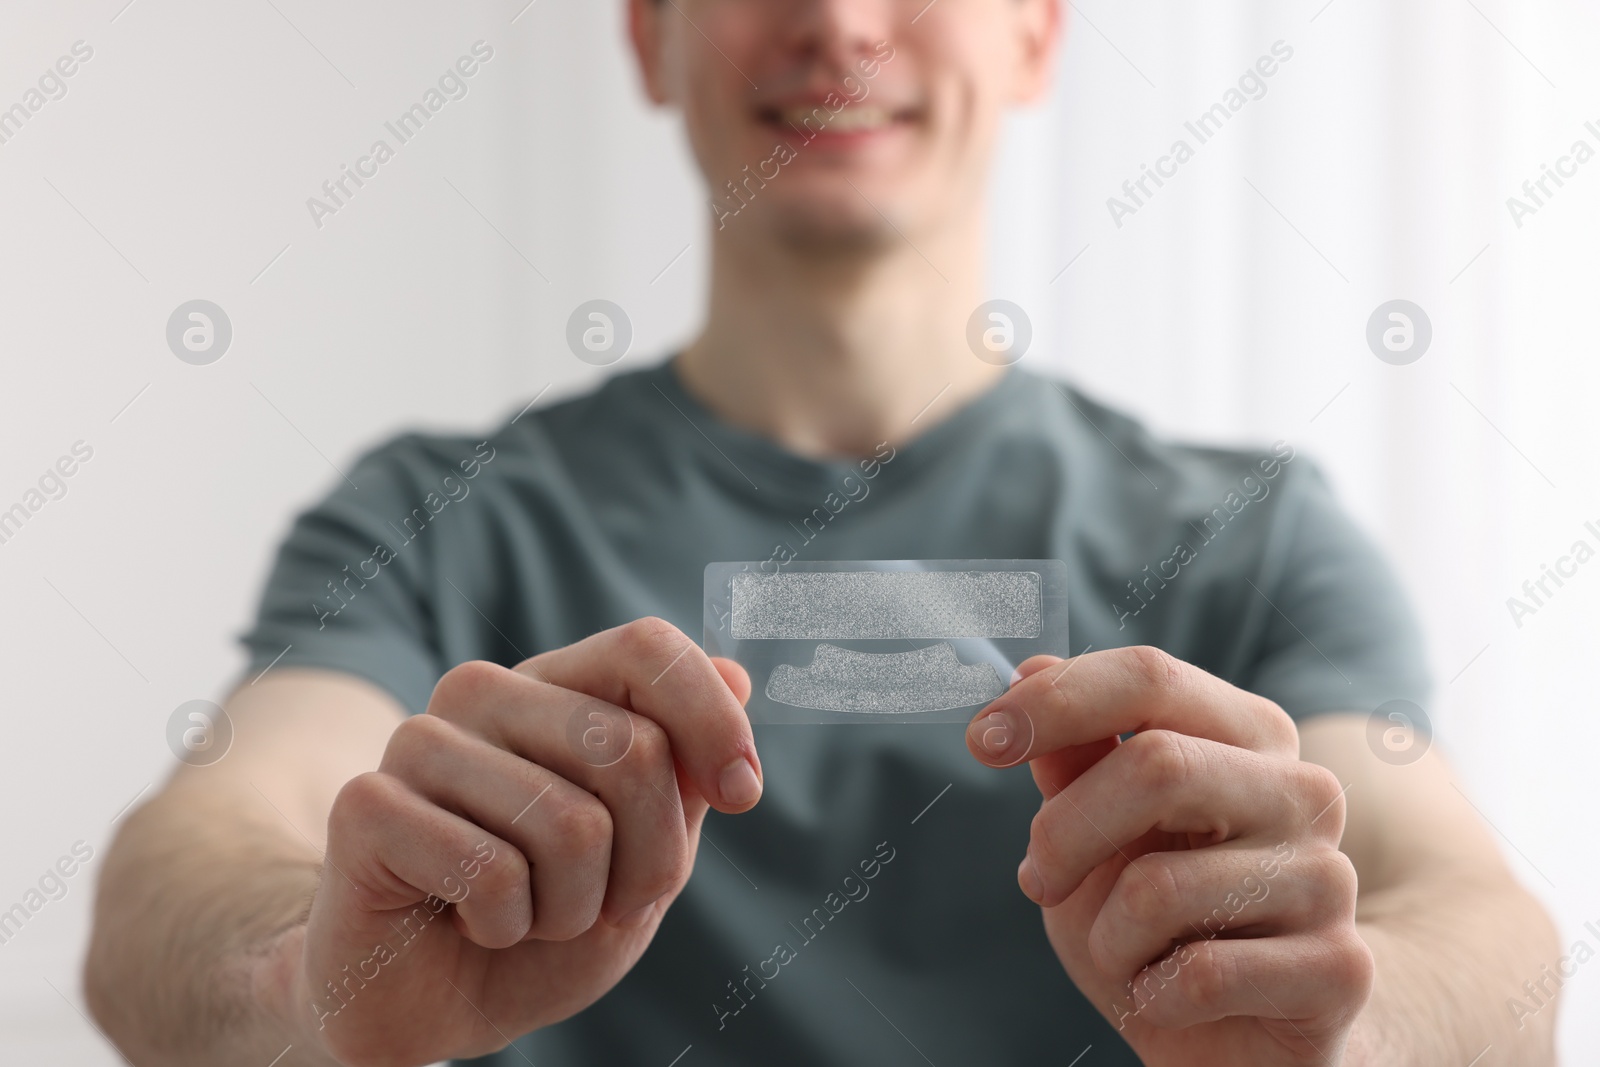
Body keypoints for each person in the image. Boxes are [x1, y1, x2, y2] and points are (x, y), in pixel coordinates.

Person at [85, 1, 1560, 1064]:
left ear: (1036, 34)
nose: (842, 22)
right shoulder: (439, 517)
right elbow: (181, 870)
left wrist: (1346, 1027)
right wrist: (316, 991)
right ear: (648, 35)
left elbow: (1487, 940)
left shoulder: (1256, 533)